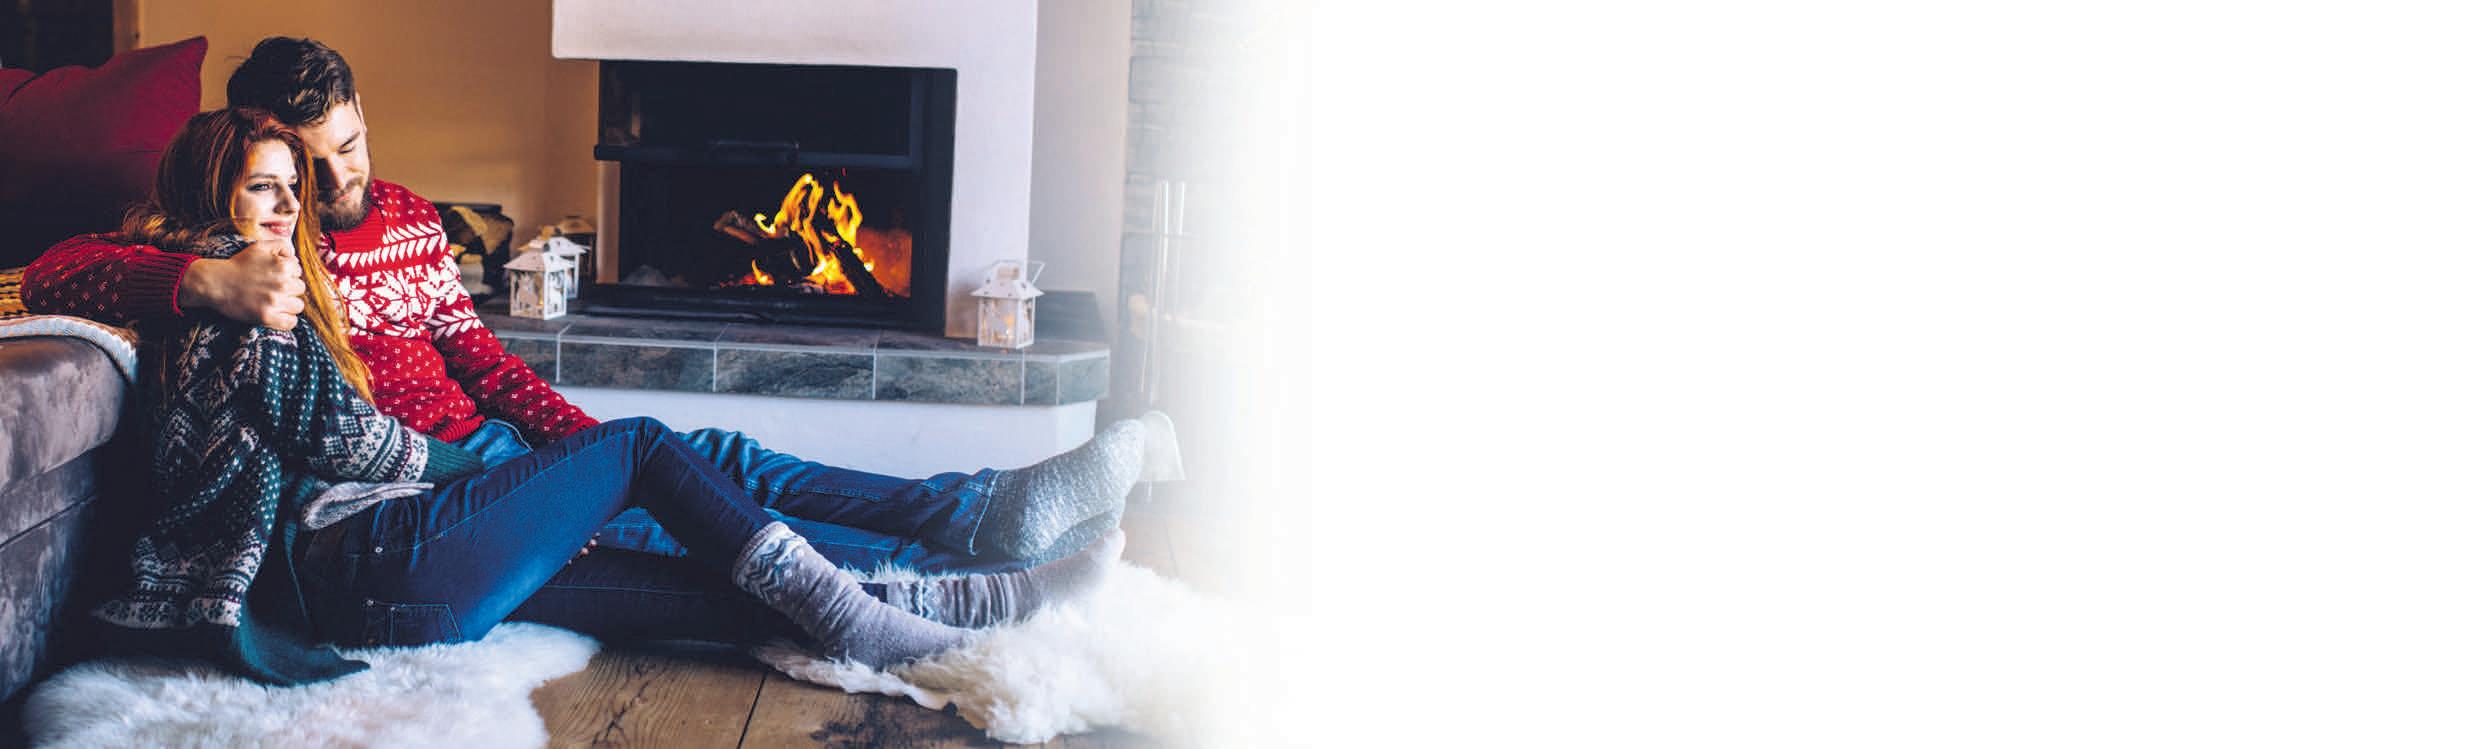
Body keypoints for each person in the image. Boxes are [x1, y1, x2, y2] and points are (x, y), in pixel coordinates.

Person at [22, 36, 1155, 573]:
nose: (341, 180)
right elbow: (59, 271)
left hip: (494, 436)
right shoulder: (261, 234)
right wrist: (204, 279)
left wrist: (586, 437)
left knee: (707, 457)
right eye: (311, 162)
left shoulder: (408, 216)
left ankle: (970, 510)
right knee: (675, 518)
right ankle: (944, 567)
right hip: (426, 481)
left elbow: (478, 356)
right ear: (261, 152)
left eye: (351, 145)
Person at [92, 108, 1139, 685]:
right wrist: (516, 468)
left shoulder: (293, 266)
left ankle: (961, 593)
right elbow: (358, 443)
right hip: (375, 546)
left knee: (690, 578)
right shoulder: (230, 294)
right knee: (642, 450)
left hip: (401, 571)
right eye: (267, 185)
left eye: (306, 176)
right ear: (213, 193)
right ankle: (912, 572)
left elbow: (468, 363)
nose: (295, 204)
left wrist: (544, 454)